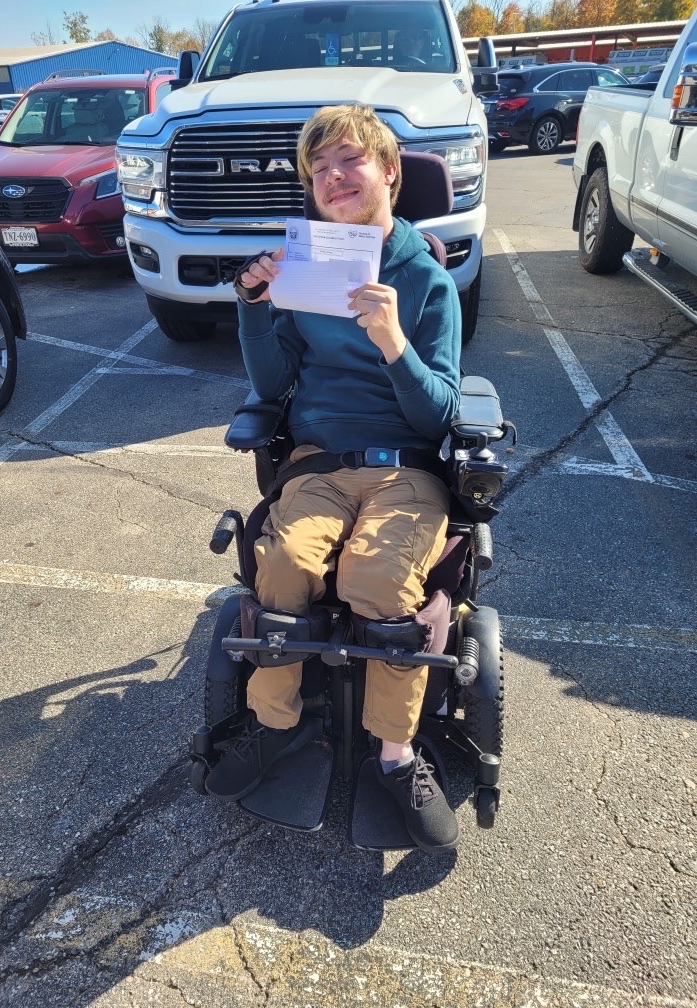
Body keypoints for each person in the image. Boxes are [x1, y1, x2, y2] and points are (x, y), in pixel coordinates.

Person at [205, 104, 462, 852]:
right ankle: (274, 723)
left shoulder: (424, 280)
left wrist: (391, 342)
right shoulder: (313, 264)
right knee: (280, 565)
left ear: (389, 171)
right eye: (318, 168)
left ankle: (396, 754)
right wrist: (254, 306)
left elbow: (439, 413)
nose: (332, 177)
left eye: (348, 160)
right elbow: (273, 381)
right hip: (318, 461)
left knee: (376, 580)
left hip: (404, 466)